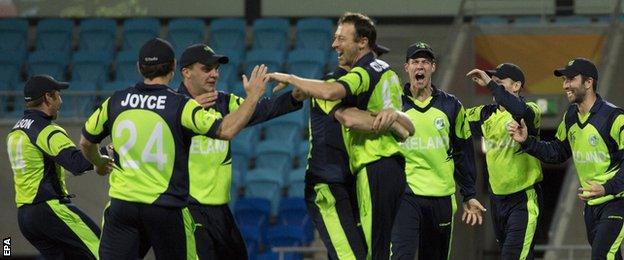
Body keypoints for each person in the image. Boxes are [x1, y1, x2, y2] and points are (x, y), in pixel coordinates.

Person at [79, 38, 268, 259]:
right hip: (165, 208)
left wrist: (99, 163)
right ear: (173, 68)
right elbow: (226, 130)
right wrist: (254, 96)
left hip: (122, 206)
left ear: (140, 68)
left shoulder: (115, 102)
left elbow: (85, 142)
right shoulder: (181, 105)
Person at [268, 12, 412, 259]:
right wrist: (395, 122)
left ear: (362, 43)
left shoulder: (359, 79)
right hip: (328, 184)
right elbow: (349, 116)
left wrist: (396, 120)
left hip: (353, 180)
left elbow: (400, 127)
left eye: (340, 40)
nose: (335, 45)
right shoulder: (329, 84)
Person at [176, 43, 304, 259]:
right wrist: (188, 108)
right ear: (186, 72)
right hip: (187, 208)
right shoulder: (172, 105)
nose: (214, 74)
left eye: (216, 69)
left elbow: (261, 110)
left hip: (220, 210)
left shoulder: (223, 101)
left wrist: (296, 96)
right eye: (207, 69)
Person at [507, 58, 624, 260]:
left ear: (588, 83)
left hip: (617, 201)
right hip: (592, 205)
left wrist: (607, 188)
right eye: (564, 80)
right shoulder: (570, 116)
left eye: (571, 79)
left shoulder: (614, 117)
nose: (565, 85)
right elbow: (557, 152)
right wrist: (527, 142)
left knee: (603, 256)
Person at [389, 42, 486, 260]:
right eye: (415, 62)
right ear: (406, 67)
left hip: (441, 196)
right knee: (401, 255)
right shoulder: (394, 104)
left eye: (425, 62)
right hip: (406, 194)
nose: (419, 67)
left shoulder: (451, 106)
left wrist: (469, 194)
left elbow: (463, 152)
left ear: (433, 67)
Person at [6, 75, 111, 259]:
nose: (60, 101)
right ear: (48, 97)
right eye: (58, 95)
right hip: (49, 210)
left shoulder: (15, 131)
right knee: (103, 252)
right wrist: (109, 150)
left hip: (25, 217)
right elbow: (76, 163)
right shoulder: (46, 130)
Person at [466, 63, 543, 260]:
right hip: (497, 200)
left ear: (516, 86)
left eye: (500, 82)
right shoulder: (485, 114)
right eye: (493, 81)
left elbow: (518, 108)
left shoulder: (529, 111)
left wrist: (491, 85)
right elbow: (452, 118)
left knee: (512, 256)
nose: (494, 84)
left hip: (523, 199)